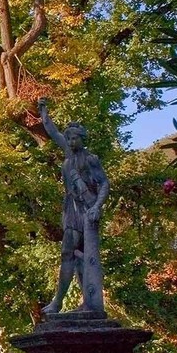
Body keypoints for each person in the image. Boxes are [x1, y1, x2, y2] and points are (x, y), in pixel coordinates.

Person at [39, 98, 109, 314]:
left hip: (86, 210)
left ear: (82, 139)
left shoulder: (91, 160)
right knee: (71, 254)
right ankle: (75, 302)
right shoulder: (68, 155)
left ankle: (82, 302)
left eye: (74, 138)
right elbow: (52, 131)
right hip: (71, 209)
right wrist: (43, 111)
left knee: (78, 254)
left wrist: (97, 206)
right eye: (68, 138)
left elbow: (104, 183)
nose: (69, 141)